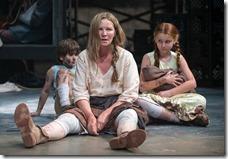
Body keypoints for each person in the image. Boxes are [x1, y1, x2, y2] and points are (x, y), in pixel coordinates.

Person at [14, 12, 149, 150]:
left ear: (115, 32)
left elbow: (130, 93)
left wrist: (106, 113)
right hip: (89, 104)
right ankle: (36, 134)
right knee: (67, 119)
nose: (104, 33)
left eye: (108, 29)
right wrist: (90, 117)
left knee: (129, 115)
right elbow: (80, 92)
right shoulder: (84, 56)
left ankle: (125, 137)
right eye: (100, 29)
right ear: (94, 32)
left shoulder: (126, 57)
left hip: (118, 105)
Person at [135, 22, 209, 127]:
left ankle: (161, 115)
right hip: (155, 97)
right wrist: (163, 80)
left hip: (174, 97)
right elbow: (141, 87)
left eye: (167, 41)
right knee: (139, 100)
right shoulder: (147, 57)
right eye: (160, 41)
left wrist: (169, 93)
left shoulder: (178, 58)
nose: (163, 45)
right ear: (155, 39)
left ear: (175, 40)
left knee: (201, 100)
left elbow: (192, 83)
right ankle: (179, 118)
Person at [30, 38, 80, 116]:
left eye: (76, 55)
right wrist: (38, 111)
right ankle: (65, 104)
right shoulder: (54, 70)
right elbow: (45, 91)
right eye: (70, 55)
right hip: (61, 105)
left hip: (77, 102)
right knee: (63, 72)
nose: (74, 58)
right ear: (61, 57)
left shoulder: (81, 68)